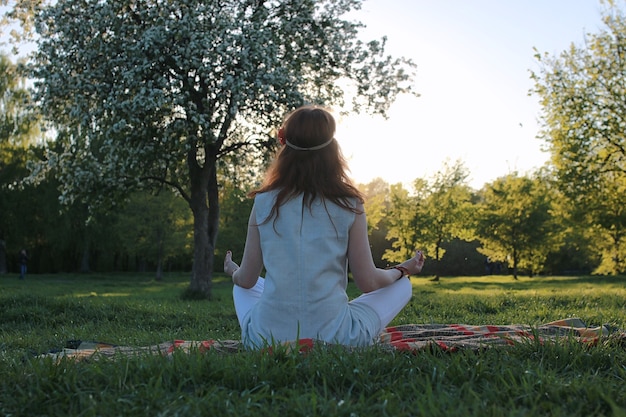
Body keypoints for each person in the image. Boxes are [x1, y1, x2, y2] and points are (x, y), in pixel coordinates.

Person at [224, 105, 425, 349]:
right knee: (401, 286)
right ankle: (346, 316)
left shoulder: (264, 201)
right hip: (338, 337)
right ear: (333, 149)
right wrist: (401, 270)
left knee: (244, 285)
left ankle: (270, 328)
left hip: (264, 339)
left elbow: (246, 280)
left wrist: (233, 270)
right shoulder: (349, 203)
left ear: (285, 145)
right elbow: (368, 282)